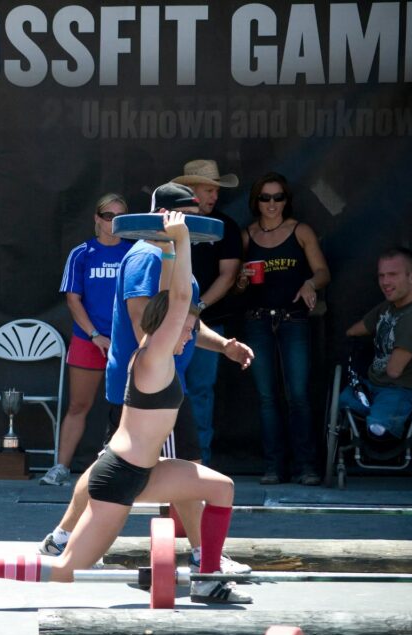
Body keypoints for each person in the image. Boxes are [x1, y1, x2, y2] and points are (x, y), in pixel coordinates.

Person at [0, 211, 252, 609]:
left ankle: (208, 579)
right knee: (69, 568)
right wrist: (179, 239)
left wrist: (174, 256)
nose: (189, 339)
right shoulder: (154, 356)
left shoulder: (158, 349)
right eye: (187, 331)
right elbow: (179, 300)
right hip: (121, 476)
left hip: (145, 470)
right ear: (167, 329)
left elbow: (171, 295)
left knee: (221, 487)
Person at [39, 183, 253, 577]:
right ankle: (204, 555)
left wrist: (223, 346)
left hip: (163, 382)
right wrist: (158, 361)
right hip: (152, 388)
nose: (197, 222)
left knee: (110, 462)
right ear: (169, 218)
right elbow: (149, 325)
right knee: (187, 469)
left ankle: (63, 535)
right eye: (189, 215)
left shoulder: (171, 256)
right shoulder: (146, 257)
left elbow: (184, 321)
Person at [237, 172, 330, 485]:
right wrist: (241, 281)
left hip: (293, 319)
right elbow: (235, 285)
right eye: (266, 197)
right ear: (256, 201)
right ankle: (274, 466)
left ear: (286, 200)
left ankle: (306, 465)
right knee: (266, 397)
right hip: (257, 319)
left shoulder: (300, 231)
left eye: (278, 197)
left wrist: (310, 283)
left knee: (299, 395)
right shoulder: (247, 236)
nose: (272, 203)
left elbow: (322, 272)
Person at [39, 193, 133, 486]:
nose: (112, 222)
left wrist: (124, 339)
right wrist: (95, 336)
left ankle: (128, 471)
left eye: (119, 216)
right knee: (78, 406)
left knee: (130, 408)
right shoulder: (82, 253)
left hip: (126, 342)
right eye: (107, 215)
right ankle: (60, 468)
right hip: (88, 340)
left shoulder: (136, 252)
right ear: (96, 218)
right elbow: (72, 300)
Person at [170, 160, 243, 467]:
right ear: (190, 191)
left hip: (208, 323)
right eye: (208, 189)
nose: (214, 196)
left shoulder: (226, 226)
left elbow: (228, 276)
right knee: (166, 390)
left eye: (216, 190)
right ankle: (162, 462)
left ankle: (199, 464)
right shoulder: (169, 227)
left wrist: (196, 308)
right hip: (168, 323)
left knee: (200, 393)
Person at [341, 247, 412, 442]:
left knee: (378, 424)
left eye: (393, 275)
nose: (385, 282)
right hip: (373, 386)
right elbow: (355, 330)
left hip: (402, 391)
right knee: (341, 401)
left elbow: (394, 370)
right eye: (382, 276)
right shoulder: (388, 307)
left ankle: (377, 427)